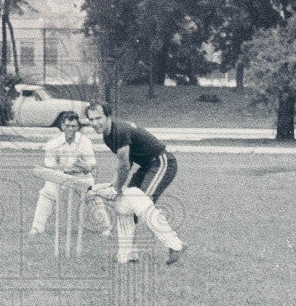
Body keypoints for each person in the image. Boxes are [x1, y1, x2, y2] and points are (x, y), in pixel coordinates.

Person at [85, 103, 185, 265]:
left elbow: (124, 165)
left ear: (108, 116)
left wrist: (116, 188)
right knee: (126, 206)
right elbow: (127, 162)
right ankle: (130, 252)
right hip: (147, 166)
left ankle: (175, 245)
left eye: (99, 118)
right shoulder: (107, 136)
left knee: (141, 203)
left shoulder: (119, 131)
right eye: (91, 119)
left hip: (161, 162)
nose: (95, 123)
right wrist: (113, 186)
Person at [29, 112, 112, 239]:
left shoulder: (85, 142)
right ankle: (37, 228)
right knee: (47, 193)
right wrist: (64, 169)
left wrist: (85, 166)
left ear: (78, 127)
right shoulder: (53, 143)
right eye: (68, 126)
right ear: (62, 126)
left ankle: (105, 228)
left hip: (81, 175)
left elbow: (92, 164)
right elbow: (50, 166)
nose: (70, 129)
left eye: (73, 126)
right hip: (60, 175)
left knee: (92, 195)